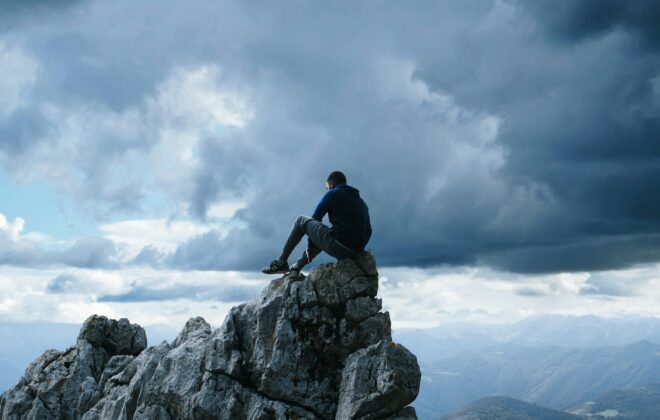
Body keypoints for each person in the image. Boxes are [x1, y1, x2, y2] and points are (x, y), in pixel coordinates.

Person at [262, 170, 372, 274]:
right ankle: (297, 266)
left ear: (331, 184)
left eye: (327, 187)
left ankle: (281, 262)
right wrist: (357, 249)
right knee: (329, 233)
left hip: (338, 247)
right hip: (356, 251)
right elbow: (369, 231)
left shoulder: (333, 193)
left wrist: (310, 247)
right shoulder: (362, 203)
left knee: (301, 220)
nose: (327, 190)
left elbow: (316, 218)